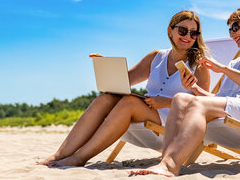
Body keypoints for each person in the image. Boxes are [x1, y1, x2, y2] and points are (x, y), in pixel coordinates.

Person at [38, 10, 210, 167]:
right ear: (170, 30)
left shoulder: (199, 65)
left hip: (173, 119)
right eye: (183, 30)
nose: (188, 36)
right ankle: (59, 154)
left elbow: (202, 105)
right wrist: (106, 66)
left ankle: (79, 158)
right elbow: (124, 80)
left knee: (129, 103)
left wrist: (165, 102)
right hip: (147, 108)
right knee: (107, 97)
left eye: (193, 33)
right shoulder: (156, 57)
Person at [132, 6, 240, 177]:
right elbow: (221, 99)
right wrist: (194, 89)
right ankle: (165, 162)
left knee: (197, 104)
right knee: (180, 98)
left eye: (236, 27)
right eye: (230, 29)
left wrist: (223, 69)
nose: (232, 34)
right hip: (238, 110)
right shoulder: (237, 63)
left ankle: (171, 166)